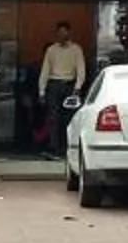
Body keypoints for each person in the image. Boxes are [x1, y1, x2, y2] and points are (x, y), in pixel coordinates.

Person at [35, 22, 88, 152]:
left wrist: (77, 88)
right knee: (52, 117)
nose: (62, 35)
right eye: (59, 32)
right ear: (57, 34)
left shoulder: (76, 49)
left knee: (69, 117)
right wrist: (41, 91)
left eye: (64, 32)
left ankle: (69, 146)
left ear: (69, 33)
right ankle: (54, 147)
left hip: (70, 86)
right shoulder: (51, 50)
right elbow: (45, 71)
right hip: (54, 85)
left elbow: (81, 69)